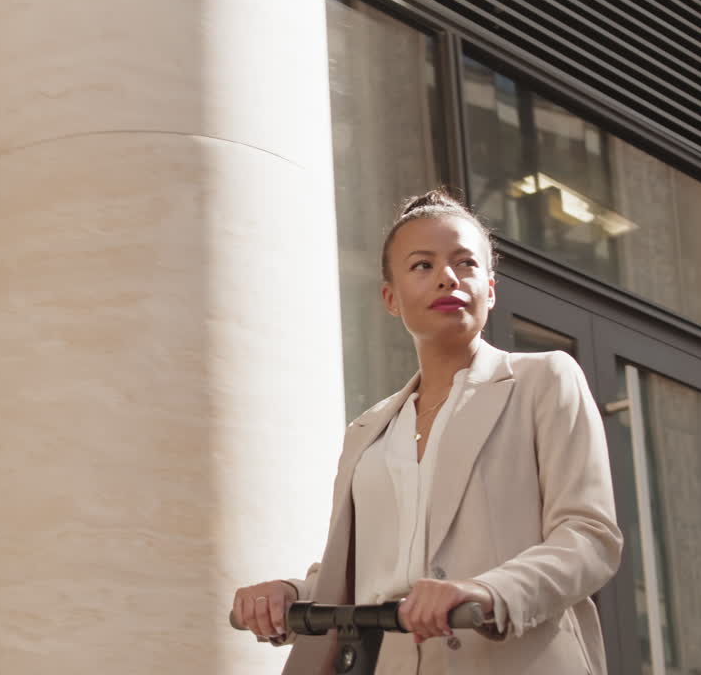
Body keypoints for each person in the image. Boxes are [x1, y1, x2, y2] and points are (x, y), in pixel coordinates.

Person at [232, 189, 623, 674]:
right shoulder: (368, 431)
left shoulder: (544, 380)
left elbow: (589, 537)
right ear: (390, 298)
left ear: (492, 289)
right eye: (422, 266)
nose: (448, 278)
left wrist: (489, 591)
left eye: (466, 263)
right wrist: (289, 595)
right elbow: (358, 576)